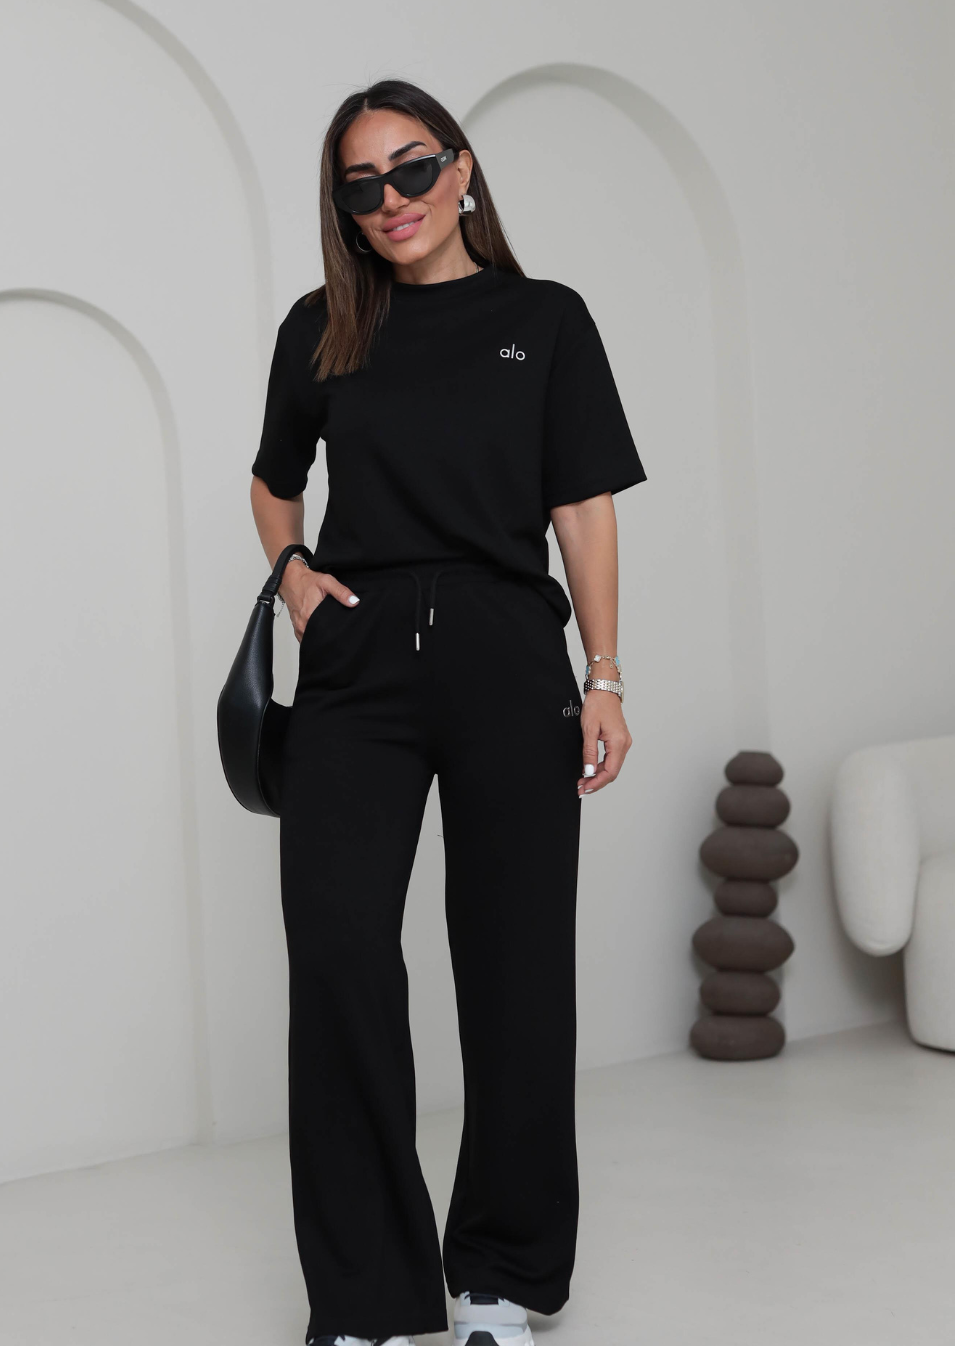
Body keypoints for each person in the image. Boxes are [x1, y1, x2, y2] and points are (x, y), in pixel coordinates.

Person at [249, 78, 647, 1346]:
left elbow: (583, 504)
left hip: (507, 657)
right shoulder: (322, 328)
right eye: (362, 185)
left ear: (463, 169)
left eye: (413, 169)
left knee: (517, 968)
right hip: (358, 668)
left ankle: (501, 1276)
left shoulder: (545, 319)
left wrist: (604, 675)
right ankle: (366, 1293)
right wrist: (295, 576)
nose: (393, 200)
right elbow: (272, 483)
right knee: (339, 952)